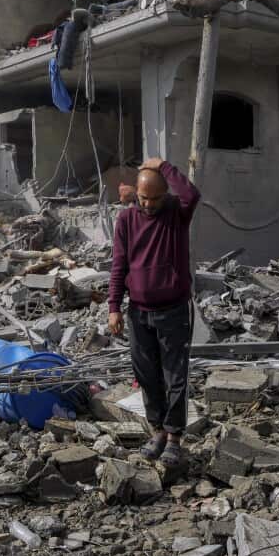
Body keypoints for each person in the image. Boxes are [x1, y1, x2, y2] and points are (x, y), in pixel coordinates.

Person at [108, 157, 201, 467]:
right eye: (143, 198)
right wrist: (113, 306)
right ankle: (157, 431)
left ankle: (174, 437)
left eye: (155, 198)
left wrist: (163, 166)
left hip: (173, 310)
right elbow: (119, 265)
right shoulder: (126, 220)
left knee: (175, 376)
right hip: (138, 312)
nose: (149, 204)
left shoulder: (176, 213)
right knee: (147, 375)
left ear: (166, 195)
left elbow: (191, 194)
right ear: (136, 193)